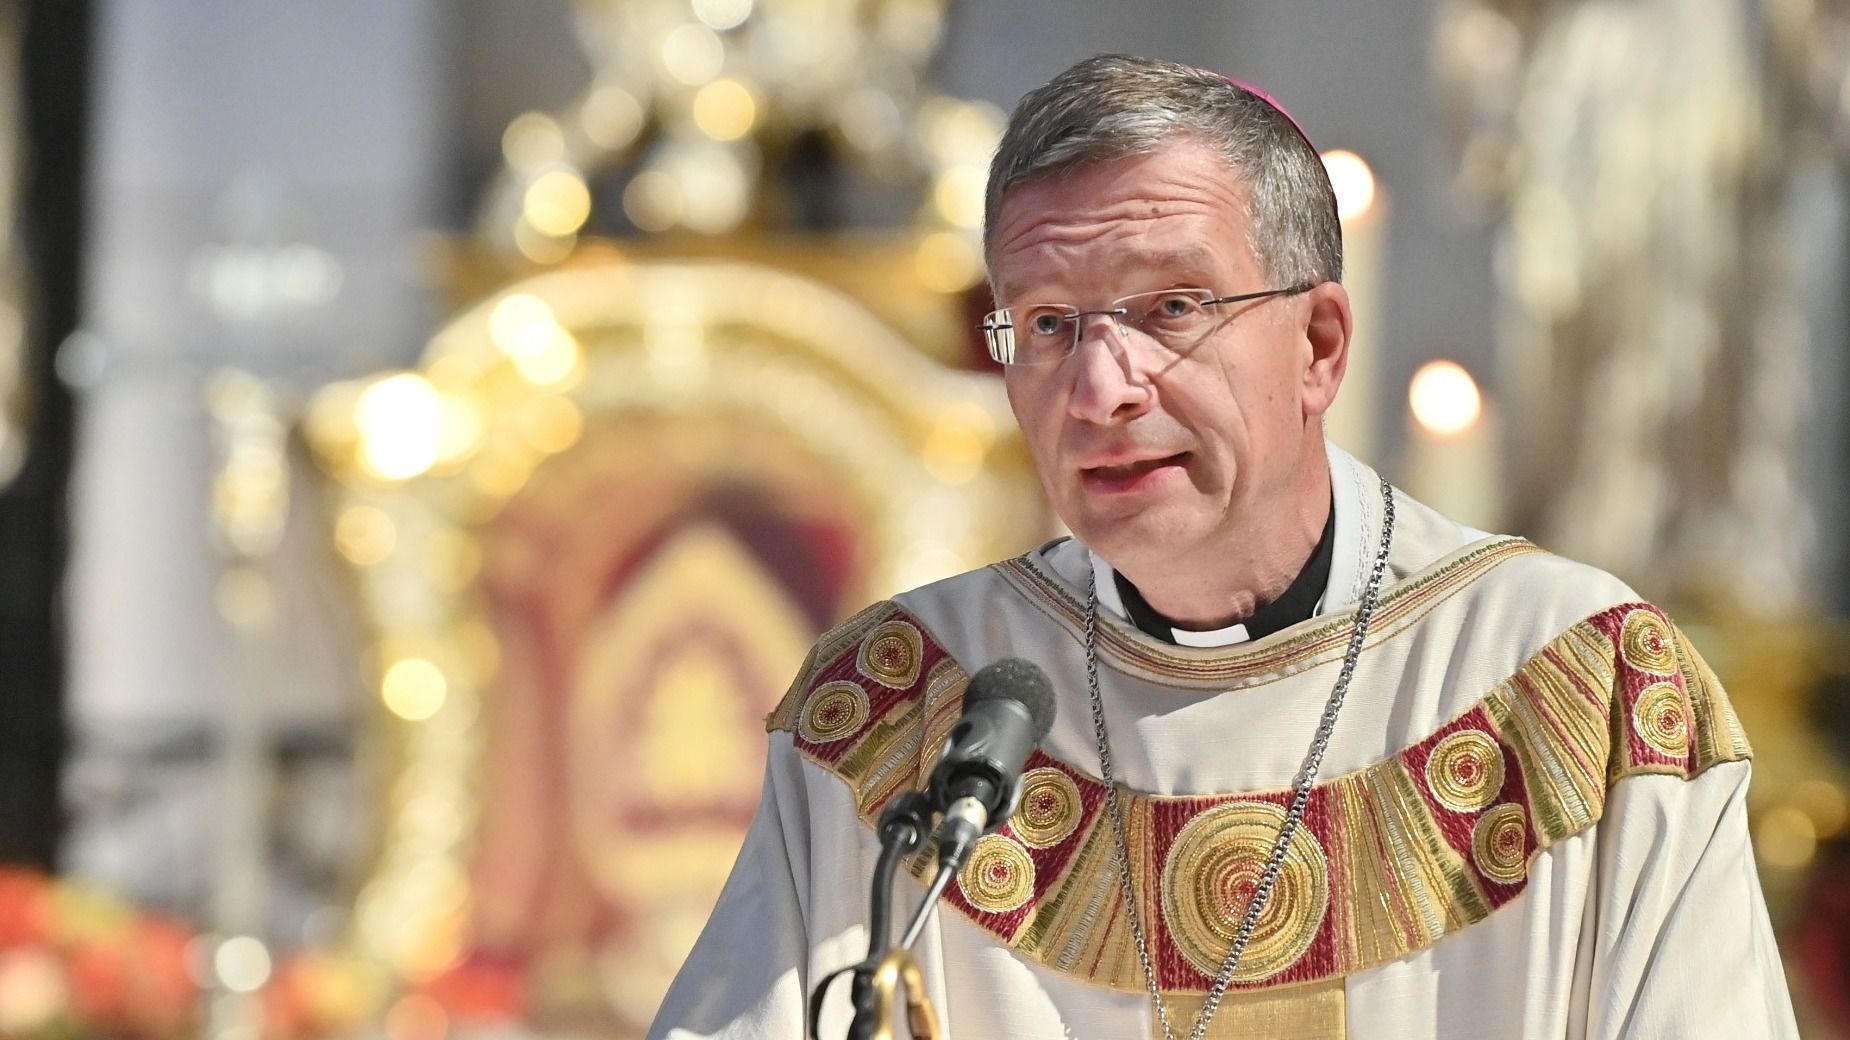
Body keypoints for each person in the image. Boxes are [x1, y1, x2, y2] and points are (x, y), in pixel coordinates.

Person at [648, 54, 1799, 1039]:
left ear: (1317, 345)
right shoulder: (905, 721)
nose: (1097, 387)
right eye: (1046, 323)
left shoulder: (1577, 688)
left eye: (1169, 310)